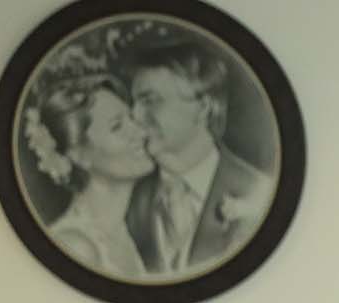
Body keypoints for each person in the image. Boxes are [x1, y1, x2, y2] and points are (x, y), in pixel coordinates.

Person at [123, 39, 271, 276]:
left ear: (203, 107)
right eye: (134, 103)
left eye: (150, 101)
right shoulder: (124, 199)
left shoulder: (259, 192)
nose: (134, 116)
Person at [30, 75, 154, 279]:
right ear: (79, 155)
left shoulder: (121, 232)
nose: (140, 132)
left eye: (131, 118)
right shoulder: (75, 245)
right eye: (117, 126)